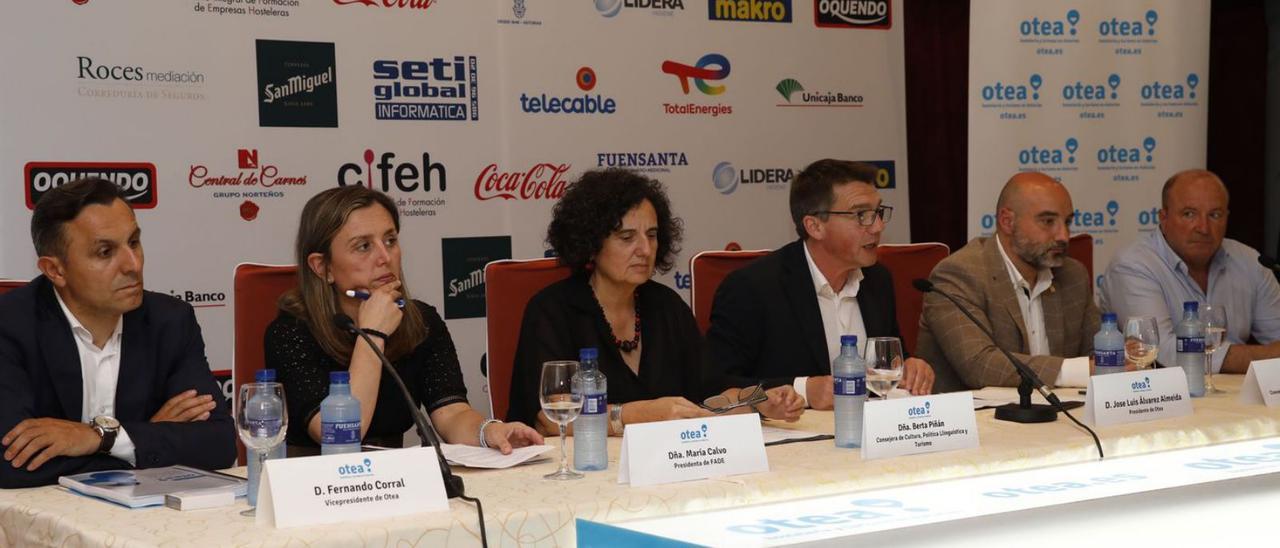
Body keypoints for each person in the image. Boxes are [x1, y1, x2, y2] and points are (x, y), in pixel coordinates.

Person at [508, 169, 805, 435]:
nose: (645, 249)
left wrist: (758, 401)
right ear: (590, 244)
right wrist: (638, 415)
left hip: (666, 468)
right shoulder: (553, 310)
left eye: (652, 235)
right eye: (627, 237)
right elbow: (549, 419)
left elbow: (710, 391)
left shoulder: (666, 305)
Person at [266, 186, 541, 454]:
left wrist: (488, 432)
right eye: (363, 246)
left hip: (395, 481)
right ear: (322, 267)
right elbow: (341, 432)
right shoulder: (291, 333)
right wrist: (373, 333)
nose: (385, 257)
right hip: (318, 486)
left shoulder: (421, 321)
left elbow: (451, 412)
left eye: (390, 240)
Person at [0, 178, 234, 488]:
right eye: (105, 252)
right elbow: (12, 467)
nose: (133, 265)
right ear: (56, 271)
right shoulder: (11, 325)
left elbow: (218, 444)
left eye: (134, 242)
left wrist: (101, 437)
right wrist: (142, 440)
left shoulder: (170, 321)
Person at [707, 159, 936, 408]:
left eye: (878, 213)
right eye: (861, 215)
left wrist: (910, 367)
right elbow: (715, 386)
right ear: (814, 226)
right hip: (789, 439)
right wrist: (803, 389)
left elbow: (885, 363)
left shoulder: (877, 280)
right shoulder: (752, 288)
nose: (878, 226)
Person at [916, 172, 1099, 391]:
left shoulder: (1072, 275)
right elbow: (980, 366)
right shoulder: (959, 274)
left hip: (1057, 418)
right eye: (1048, 221)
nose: (1063, 235)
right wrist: (1079, 371)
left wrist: (1124, 358)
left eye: (1067, 222)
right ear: (1007, 221)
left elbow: (1099, 350)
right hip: (977, 420)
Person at [1101, 169, 1280, 374]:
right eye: (1189, 214)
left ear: (1227, 218)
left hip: (1236, 394)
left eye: (1215, 215)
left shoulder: (1250, 261)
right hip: (1163, 398)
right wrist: (1266, 356)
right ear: (1164, 218)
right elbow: (1162, 351)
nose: (1203, 228)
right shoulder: (1133, 265)